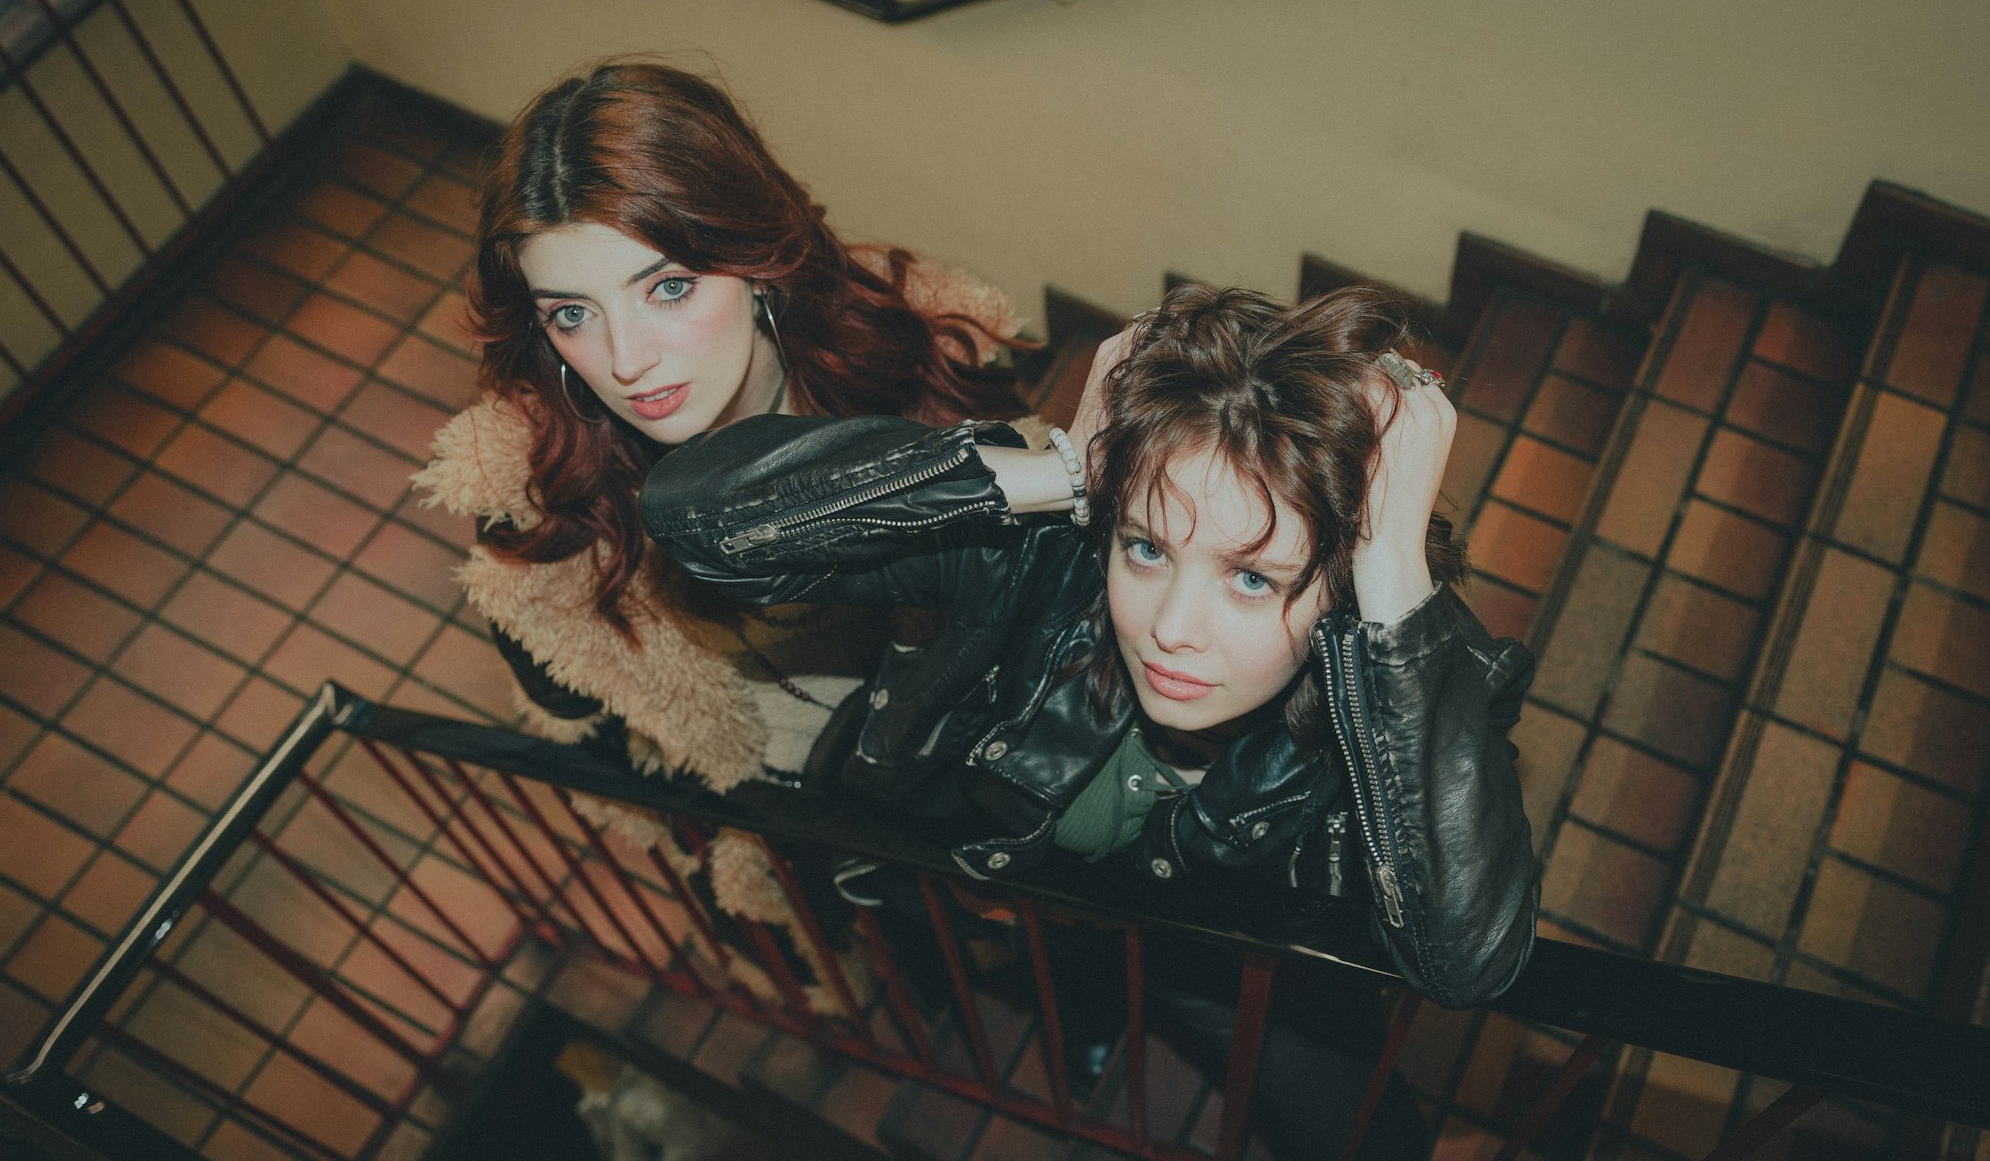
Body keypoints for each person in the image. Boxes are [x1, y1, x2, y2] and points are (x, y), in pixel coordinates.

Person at [641, 283, 1540, 1156]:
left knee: (1353, 1128)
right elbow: (694, 515)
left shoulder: (1407, 681)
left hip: (1227, 962)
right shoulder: (1051, 560)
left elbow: (1460, 958)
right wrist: (1062, 469)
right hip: (1029, 901)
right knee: (1064, 985)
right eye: (1147, 547)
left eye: (1251, 578)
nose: (1170, 629)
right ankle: (1087, 1028)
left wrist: (1392, 594)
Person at [411, 59, 1038, 1006]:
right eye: (573, 314)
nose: (626, 361)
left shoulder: (909, 351)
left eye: (668, 287)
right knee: (905, 959)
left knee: (1012, 940)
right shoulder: (542, 505)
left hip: (963, 769)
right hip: (795, 824)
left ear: (756, 258)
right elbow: (587, 726)